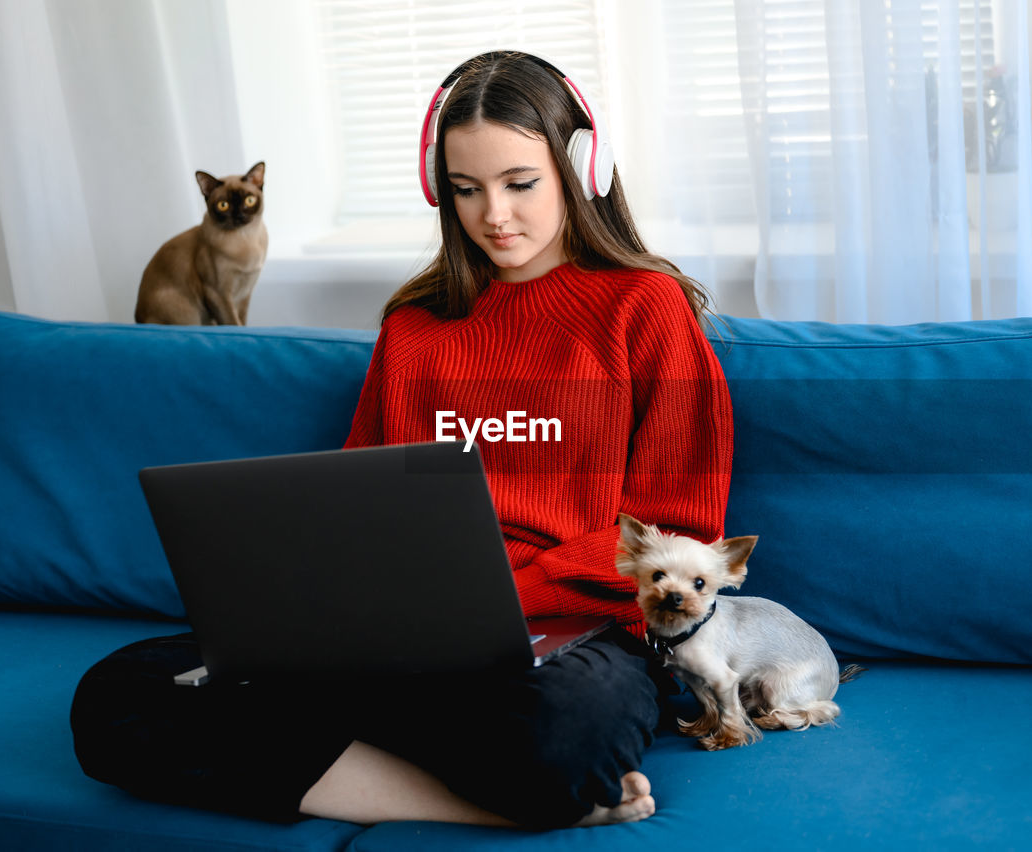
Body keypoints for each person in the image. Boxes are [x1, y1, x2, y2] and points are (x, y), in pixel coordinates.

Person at [71, 50, 733, 831]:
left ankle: (501, 775)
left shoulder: (645, 310)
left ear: (579, 169)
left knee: (563, 732)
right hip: (405, 637)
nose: (494, 215)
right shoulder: (414, 326)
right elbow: (353, 503)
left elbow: (682, 529)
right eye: (464, 189)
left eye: (520, 184)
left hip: (580, 635)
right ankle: (487, 805)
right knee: (117, 695)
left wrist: (507, 598)